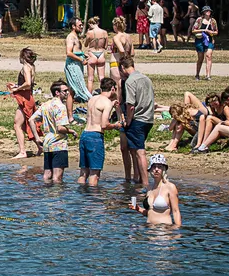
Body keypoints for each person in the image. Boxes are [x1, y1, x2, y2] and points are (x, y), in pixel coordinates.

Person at [78, 78, 121, 186]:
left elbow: (97, 112)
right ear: (112, 88)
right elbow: (104, 125)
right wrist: (115, 125)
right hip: (95, 137)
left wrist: (111, 104)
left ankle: (81, 194)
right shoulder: (107, 102)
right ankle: (93, 196)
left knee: (83, 172)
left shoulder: (92, 99)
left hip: (85, 134)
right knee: (95, 174)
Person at [119, 55, 154, 184]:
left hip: (138, 119)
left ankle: (145, 183)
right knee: (135, 149)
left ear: (123, 68)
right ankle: (137, 179)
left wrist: (128, 120)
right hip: (148, 119)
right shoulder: (146, 79)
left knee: (140, 152)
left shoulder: (130, 81)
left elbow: (131, 105)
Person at [32, 81, 73, 183]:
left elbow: (31, 120)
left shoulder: (45, 105)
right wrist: (71, 131)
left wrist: (37, 138)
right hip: (59, 144)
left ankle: (46, 192)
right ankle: (57, 193)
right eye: (65, 91)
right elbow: (60, 128)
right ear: (57, 93)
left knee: (47, 175)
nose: (67, 93)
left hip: (47, 143)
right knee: (57, 178)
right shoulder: (60, 107)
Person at [128, 154, 182, 227]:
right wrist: (138, 209)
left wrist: (177, 229)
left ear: (163, 169)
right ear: (150, 169)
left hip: (164, 229)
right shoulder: (149, 188)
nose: (156, 169)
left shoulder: (170, 187)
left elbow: (176, 211)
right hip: (149, 229)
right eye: (154, 166)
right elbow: (150, 212)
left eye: (159, 167)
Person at [11, 48, 42, 159]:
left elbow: (28, 83)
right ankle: (40, 146)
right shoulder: (32, 67)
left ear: (23, 57)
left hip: (26, 99)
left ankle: (22, 152)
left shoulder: (26, 67)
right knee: (26, 124)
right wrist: (17, 86)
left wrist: (17, 88)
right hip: (28, 97)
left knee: (17, 125)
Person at [63, 18, 90, 104]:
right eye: (80, 25)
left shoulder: (76, 36)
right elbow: (69, 53)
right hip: (73, 65)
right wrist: (81, 60)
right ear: (73, 26)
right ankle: (93, 102)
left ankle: (70, 113)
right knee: (79, 89)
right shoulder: (71, 37)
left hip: (77, 64)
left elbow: (75, 51)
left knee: (72, 91)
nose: (82, 27)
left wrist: (83, 54)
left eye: (82, 25)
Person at [193, 6, 218, 80]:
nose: (208, 12)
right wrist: (203, 30)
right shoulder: (199, 20)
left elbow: (216, 32)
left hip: (209, 40)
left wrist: (210, 32)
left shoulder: (213, 21)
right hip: (200, 40)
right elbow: (193, 30)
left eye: (209, 11)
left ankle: (208, 75)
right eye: (207, 11)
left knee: (208, 56)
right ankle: (197, 75)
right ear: (203, 12)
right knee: (200, 58)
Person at [83, 17, 110, 84]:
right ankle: (103, 90)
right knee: (101, 77)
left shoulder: (90, 32)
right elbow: (106, 46)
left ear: (90, 24)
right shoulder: (105, 32)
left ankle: (89, 91)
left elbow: (85, 45)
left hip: (92, 54)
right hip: (101, 54)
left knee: (90, 79)